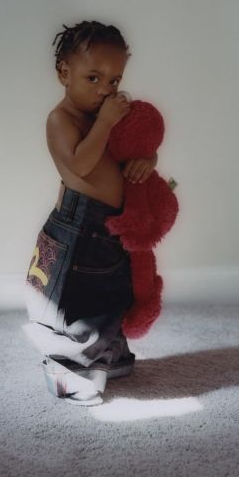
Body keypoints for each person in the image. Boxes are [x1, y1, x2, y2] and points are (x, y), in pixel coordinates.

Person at [23, 21, 158, 405]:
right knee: (75, 303)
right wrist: (106, 122)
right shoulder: (61, 120)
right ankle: (65, 368)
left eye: (114, 81)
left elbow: (139, 144)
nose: (105, 90)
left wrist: (147, 159)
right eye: (94, 77)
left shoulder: (110, 115)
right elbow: (79, 166)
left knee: (113, 293)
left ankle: (107, 353)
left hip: (111, 227)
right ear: (64, 73)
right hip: (78, 230)